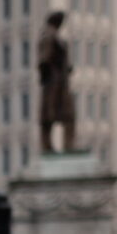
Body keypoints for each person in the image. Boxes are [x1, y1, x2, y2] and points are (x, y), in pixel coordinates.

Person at [38, 10, 76, 154]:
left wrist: (67, 68)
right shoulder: (48, 36)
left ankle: (68, 145)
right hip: (53, 83)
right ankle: (47, 145)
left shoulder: (57, 39)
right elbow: (44, 60)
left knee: (68, 115)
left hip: (61, 82)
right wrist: (49, 75)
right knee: (48, 115)